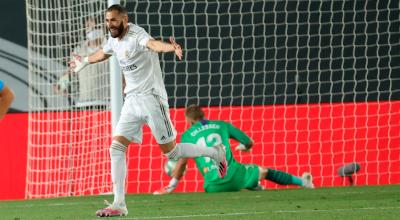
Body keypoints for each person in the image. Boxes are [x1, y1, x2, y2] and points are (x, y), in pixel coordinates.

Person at [69, 4, 227, 217]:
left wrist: (172, 48)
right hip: (131, 100)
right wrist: (85, 61)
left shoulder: (137, 35)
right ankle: (119, 203)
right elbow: (104, 52)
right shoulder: (113, 40)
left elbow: (153, 45)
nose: (110, 25)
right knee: (116, 147)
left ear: (124, 19)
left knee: (171, 152)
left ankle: (215, 152)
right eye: (107, 21)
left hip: (152, 99)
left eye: (113, 20)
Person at [153, 105, 314, 195]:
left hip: (212, 185)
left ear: (189, 120)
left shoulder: (187, 135)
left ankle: (253, 185)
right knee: (263, 171)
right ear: (203, 115)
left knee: (247, 176)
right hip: (233, 175)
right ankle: (303, 182)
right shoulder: (222, 125)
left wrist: (171, 186)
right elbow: (249, 142)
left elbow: (181, 163)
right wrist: (243, 147)